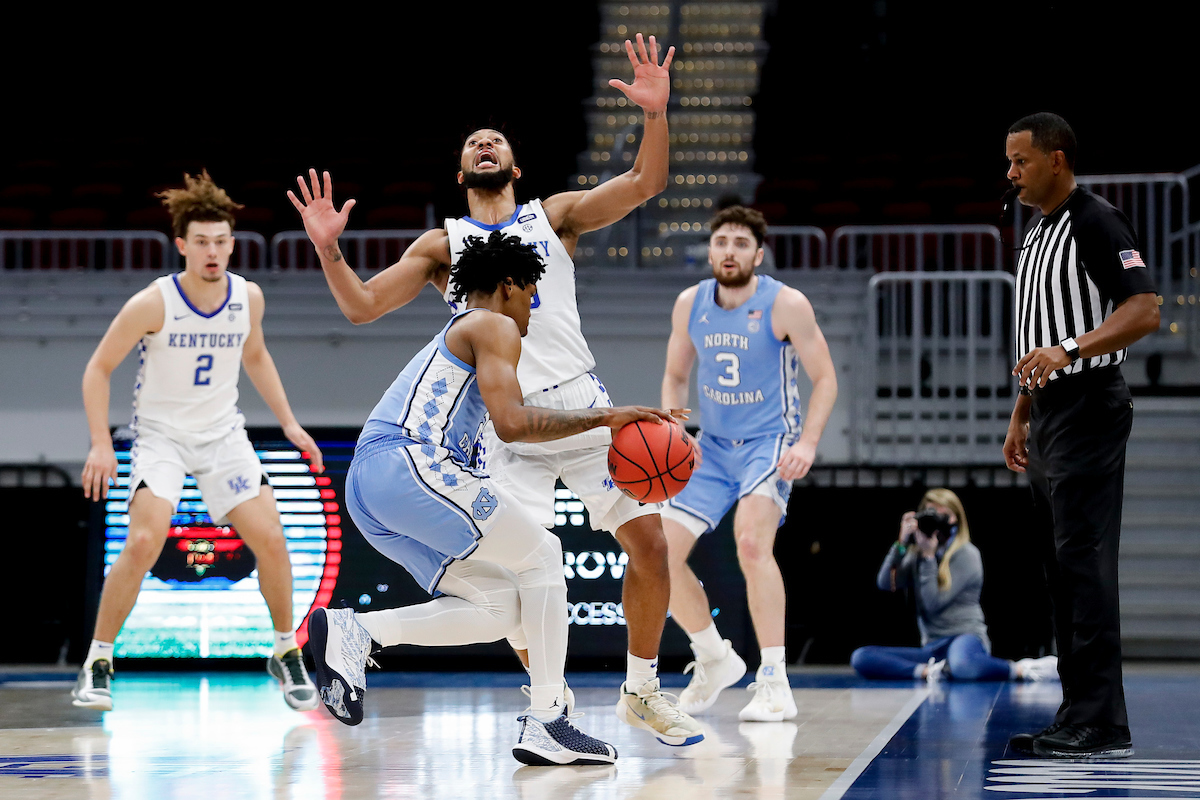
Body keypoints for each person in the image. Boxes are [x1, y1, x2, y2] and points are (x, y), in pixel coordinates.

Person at [288, 34, 704, 747]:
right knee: (522, 574)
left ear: (516, 166)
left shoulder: (555, 215)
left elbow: (644, 183)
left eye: (495, 139)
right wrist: (329, 249)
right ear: (460, 170)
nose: (484, 143)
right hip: (499, 424)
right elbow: (359, 306)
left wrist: (656, 115)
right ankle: (551, 706)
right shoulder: (440, 247)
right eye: (473, 141)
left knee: (653, 545)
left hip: (575, 403)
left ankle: (640, 691)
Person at [309, 231, 675, 764]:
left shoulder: (465, 330)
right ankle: (549, 719)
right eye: (530, 295)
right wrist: (607, 416)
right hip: (411, 461)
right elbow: (512, 425)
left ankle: (357, 629)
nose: (531, 310)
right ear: (509, 286)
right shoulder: (494, 324)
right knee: (545, 556)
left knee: (502, 607)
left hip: (373, 489)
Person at [74, 171, 323, 712]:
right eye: (203, 243)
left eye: (222, 241)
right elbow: (98, 368)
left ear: (232, 243)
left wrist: (289, 424)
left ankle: (284, 651)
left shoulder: (247, 298)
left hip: (221, 437)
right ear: (183, 245)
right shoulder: (153, 302)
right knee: (144, 542)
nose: (214, 252)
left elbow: (254, 356)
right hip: (161, 437)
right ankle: (97, 659)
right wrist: (98, 441)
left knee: (272, 539)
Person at [1002, 113, 1159, 759]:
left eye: (1020, 161)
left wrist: (1069, 350)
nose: (1010, 173)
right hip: (1051, 412)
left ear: (1057, 159)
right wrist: (1022, 412)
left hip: (1091, 403)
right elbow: (1036, 336)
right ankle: (1076, 712)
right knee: (1062, 571)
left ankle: (1101, 721)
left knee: (1085, 565)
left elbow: (1144, 308)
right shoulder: (1037, 233)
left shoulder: (1095, 219)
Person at [659, 205, 838, 721]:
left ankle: (775, 680)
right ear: (710, 250)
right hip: (711, 446)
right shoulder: (689, 304)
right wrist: (676, 428)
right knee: (657, 556)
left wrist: (806, 442)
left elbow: (824, 378)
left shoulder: (786, 303)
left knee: (752, 542)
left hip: (769, 441)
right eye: (722, 242)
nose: (729, 251)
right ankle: (714, 657)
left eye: (741, 243)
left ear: (758, 254)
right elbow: (675, 375)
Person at [850, 488, 1060, 683]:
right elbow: (886, 583)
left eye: (944, 514)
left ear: (956, 520)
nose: (938, 520)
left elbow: (934, 603)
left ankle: (1021, 669)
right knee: (862, 657)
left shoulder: (967, 555)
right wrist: (901, 544)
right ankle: (929, 672)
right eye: (931, 513)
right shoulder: (917, 554)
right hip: (933, 647)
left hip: (966, 639)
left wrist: (929, 557)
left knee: (962, 665)